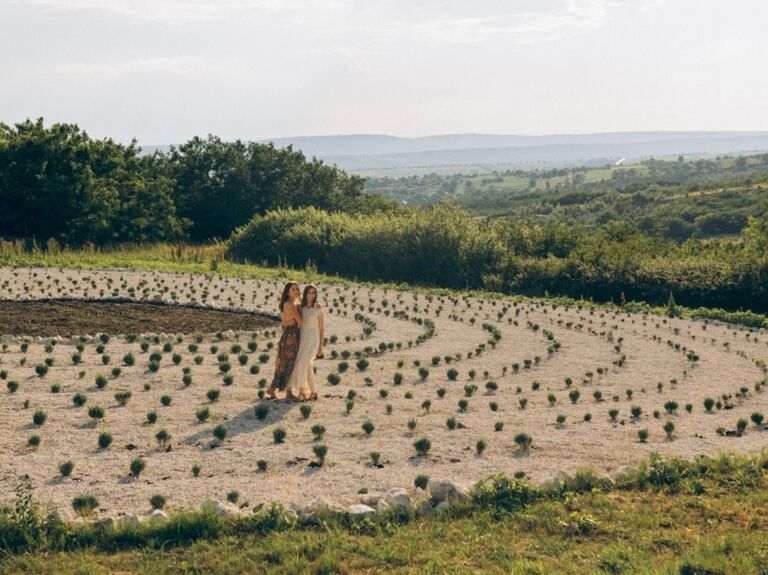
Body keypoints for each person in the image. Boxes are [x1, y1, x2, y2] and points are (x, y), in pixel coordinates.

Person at [287, 284, 324, 401]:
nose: (311, 295)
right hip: (302, 338)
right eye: (309, 292)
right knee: (306, 364)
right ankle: (314, 392)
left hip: (313, 339)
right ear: (305, 293)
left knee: (304, 362)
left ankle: (302, 392)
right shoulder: (300, 308)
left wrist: (321, 346)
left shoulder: (318, 308)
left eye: (313, 293)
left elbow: (322, 328)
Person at [266, 282, 302, 400]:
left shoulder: (292, 303)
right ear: (288, 292)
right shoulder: (289, 305)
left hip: (290, 335)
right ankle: (283, 391)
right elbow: (301, 322)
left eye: (297, 289)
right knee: (287, 364)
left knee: (286, 364)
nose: (296, 291)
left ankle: (279, 390)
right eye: (293, 289)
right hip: (290, 336)